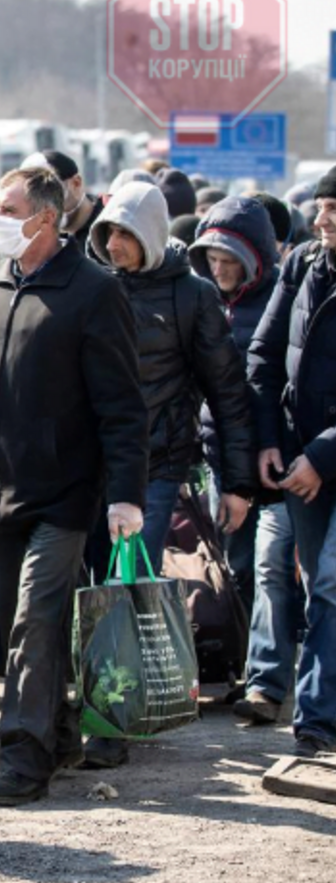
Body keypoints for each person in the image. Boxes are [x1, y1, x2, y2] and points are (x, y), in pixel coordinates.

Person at [0, 164, 149, 805]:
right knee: (11, 623)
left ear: (46, 218)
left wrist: (127, 492)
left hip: (63, 494)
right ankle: (62, 728)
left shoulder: (94, 291)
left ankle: (23, 760)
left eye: (11, 208)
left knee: (34, 623)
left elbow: (123, 407)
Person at [83, 181, 256, 767]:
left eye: (126, 233)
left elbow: (226, 391)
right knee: (81, 582)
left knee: (128, 584)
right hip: (84, 463)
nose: (114, 244)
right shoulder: (87, 284)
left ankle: (113, 719)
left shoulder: (192, 295)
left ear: (152, 234)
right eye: (108, 231)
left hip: (157, 464)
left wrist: (236, 483)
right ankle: (77, 705)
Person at [191, 196, 299, 726]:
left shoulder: (284, 300)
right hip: (219, 459)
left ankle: (267, 680)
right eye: (211, 259)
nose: (218, 268)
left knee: (272, 568)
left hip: (275, 458)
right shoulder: (205, 302)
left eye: (228, 259)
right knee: (233, 568)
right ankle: (235, 668)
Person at [246, 170, 336, 758]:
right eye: (323, 209)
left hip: (321, 456)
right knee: (317, 589)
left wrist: (324, 454)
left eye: (333, 211)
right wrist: (268, 439)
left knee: (329, 580)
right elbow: (265, 352)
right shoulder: (305, 264)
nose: (321, 220)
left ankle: (315, 720)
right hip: (300, 460)